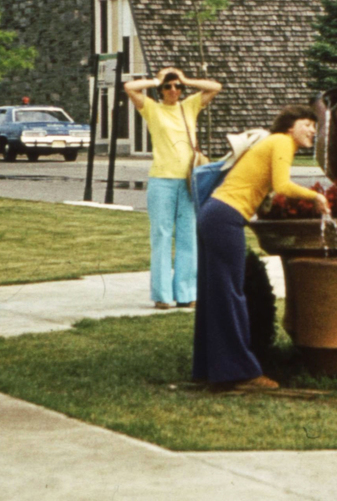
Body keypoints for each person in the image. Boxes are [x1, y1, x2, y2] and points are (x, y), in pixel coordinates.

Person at [193, 104, 325, 392]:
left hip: (213, 213)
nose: (313, 130)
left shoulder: (271, 142)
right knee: (231, 295)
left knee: (215, 295)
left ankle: (209, 369)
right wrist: (315, 197)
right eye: (308, 124)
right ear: (291, 126)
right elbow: (283, 185)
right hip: (225, 217)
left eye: (315, 126)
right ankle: (242, 373)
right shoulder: (282, 141)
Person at [125, 68, 222, 310]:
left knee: (188, 237)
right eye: (168, 87)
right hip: (162, 180)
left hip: (190, 181)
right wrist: (158, 78)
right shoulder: (152, 108)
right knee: (161, 236)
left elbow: (215, 87)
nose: (173, 90)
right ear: (160, 90)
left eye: (177, 86)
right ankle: (162, 295)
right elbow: (129, 88)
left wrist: (185, 78)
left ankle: (186, 293)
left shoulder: (188, 106)